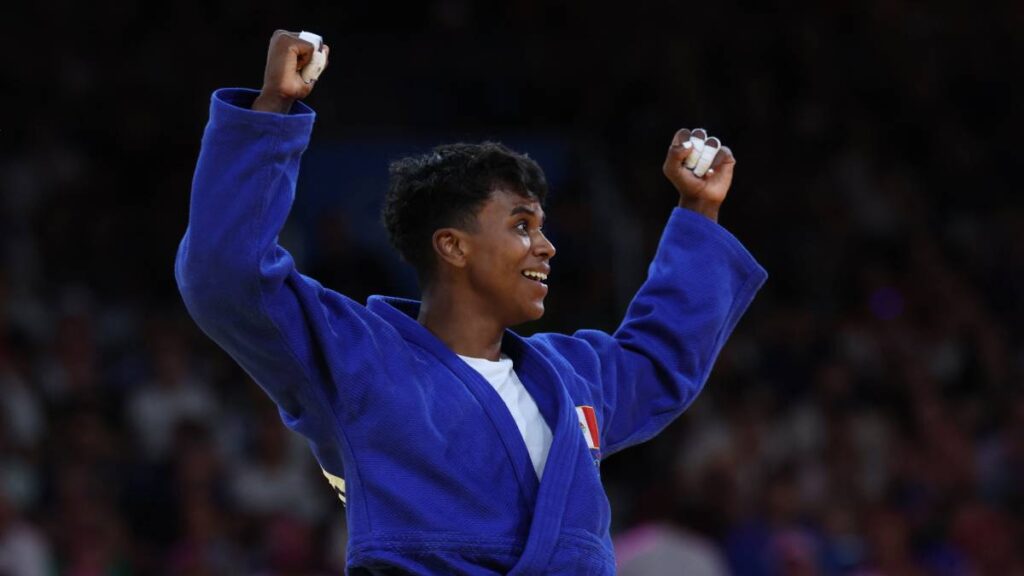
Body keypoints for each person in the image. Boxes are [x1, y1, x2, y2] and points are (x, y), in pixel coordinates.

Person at [175, 30, 767, 575]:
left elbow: (659, 360)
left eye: (542, 227)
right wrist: (272, 111)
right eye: (522, 225)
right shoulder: (360, 359)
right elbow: (227, 275)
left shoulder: (571, 376)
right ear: (453, 246)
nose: (546, 246)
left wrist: (698, 212)